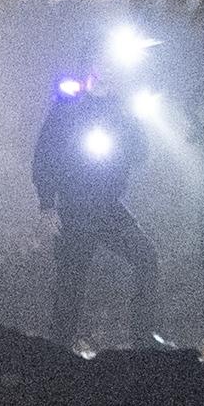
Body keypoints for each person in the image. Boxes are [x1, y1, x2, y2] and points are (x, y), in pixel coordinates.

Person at [34, 71, 161, 347]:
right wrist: (47, 205)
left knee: (146, 258)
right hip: (74, 209)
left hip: (108, 208)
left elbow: (139, 155)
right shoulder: (69, 105)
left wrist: (135, 120)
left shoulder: (121, 109)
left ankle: (142, 338)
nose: (104, 76)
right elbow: (44, 156)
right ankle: (59, 350)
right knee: (70, 283)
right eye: (97, 69)